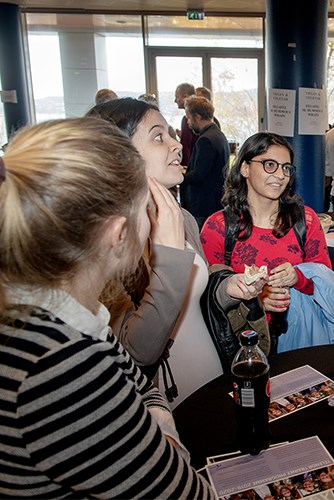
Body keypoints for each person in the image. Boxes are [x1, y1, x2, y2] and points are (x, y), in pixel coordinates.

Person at [0, 117, 213, 497]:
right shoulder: (60, 365)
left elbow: (141, 385)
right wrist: (165, 442)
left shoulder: (65, 318)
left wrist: (155, 424)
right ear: (118, 235)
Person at [87, 98, 257, 408]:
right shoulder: (107, 243)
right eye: (158, 136)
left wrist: (229, 290)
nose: (177, 145)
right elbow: (137, 352)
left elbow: (195, 300)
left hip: (212, 378)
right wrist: (168, 257)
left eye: (172, 134)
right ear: (118, 155)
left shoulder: (184, 218)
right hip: (164, 401)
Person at [201, 132, 334, 353]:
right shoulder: (218, 226)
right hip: (241, 347)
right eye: (270, 164)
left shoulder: (304, 220)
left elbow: (326, 284)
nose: (280, 175)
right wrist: (256, 300)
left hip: (297, 341)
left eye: (286, 168)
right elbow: (208, 296)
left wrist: (297, 277)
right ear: (245, 168)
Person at [183, 95, 230, 229]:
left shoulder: (206, 140)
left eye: (188, 118)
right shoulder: (218, 134)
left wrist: (178, 177)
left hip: (203, 206)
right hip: (214, 202)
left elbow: (198, 175)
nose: (188, 122)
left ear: (197, 116)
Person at [175, 82, 197, 166]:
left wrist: (183, 168)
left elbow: (186, 147)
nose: (175, 101)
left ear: (185, 97)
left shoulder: (187, 120)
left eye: (177, 97)